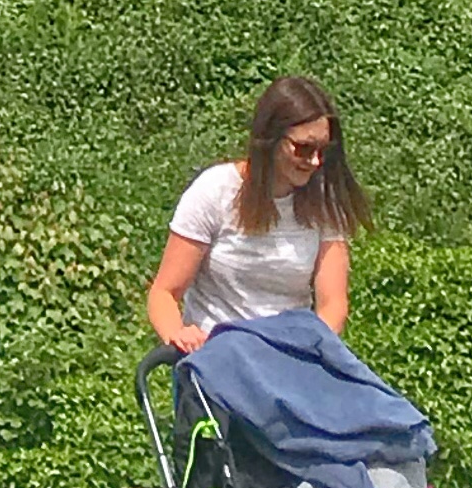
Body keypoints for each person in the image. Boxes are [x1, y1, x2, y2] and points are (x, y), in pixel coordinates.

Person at [145, 76, 367, 352]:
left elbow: (333, 304)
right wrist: (178, 335)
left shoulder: (322, 202)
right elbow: (164, 293)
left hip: (289, 353)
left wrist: (310, 347)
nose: (314, 161)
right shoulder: (215, 190)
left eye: (324, 150)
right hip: (218, 353)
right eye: (303, 149)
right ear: (270, 139)